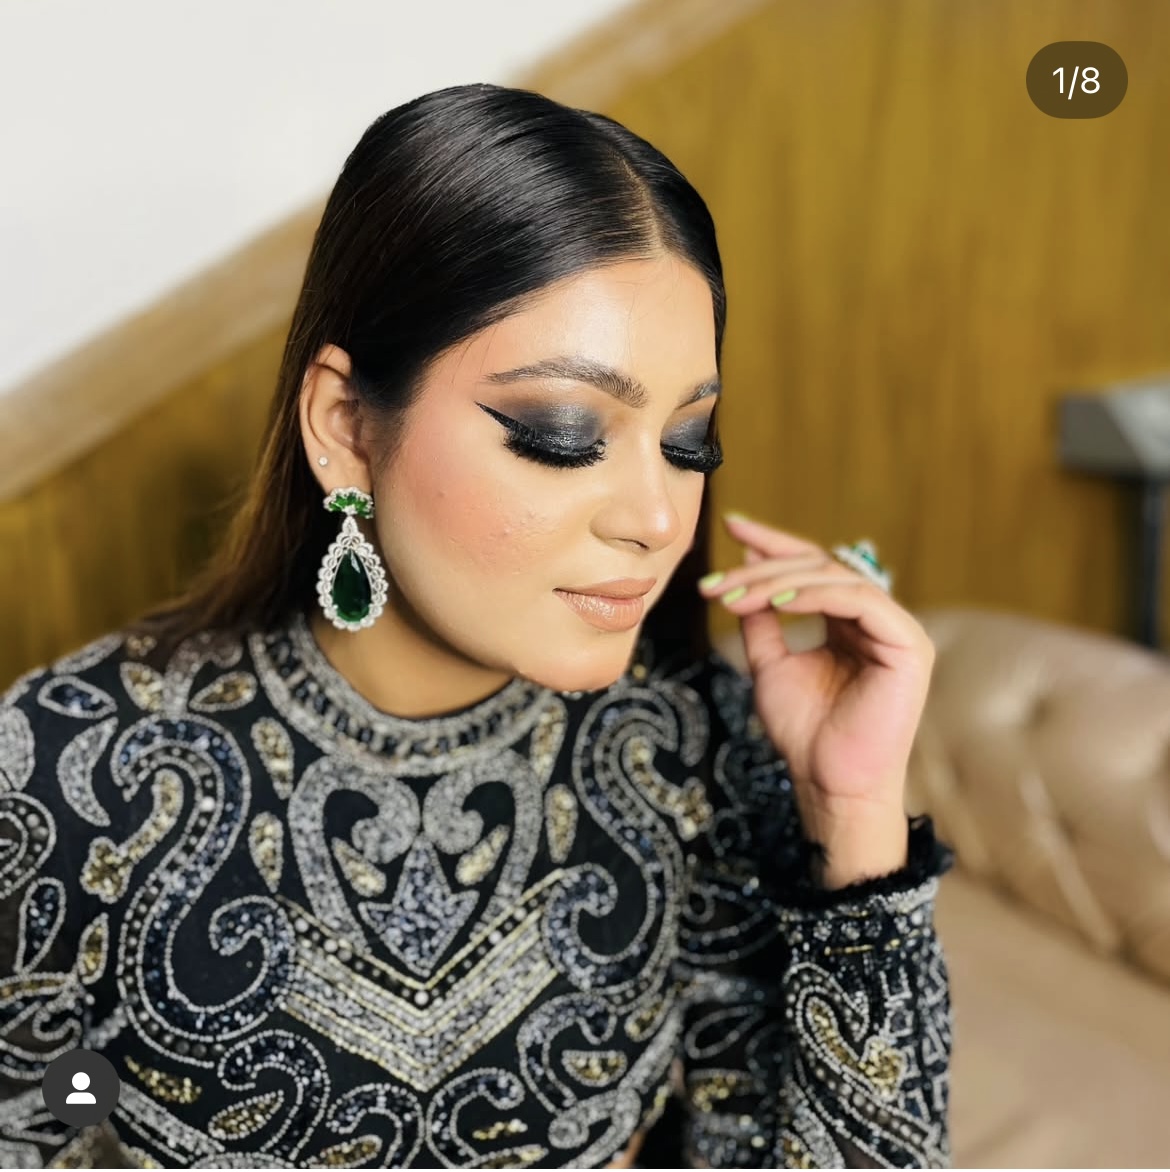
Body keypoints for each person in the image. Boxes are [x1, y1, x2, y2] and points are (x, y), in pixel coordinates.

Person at [0, 83, 952, 1169]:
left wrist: (854, 810)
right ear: (346, 427)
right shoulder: (67, 774)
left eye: (689, 442)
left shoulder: (689, 740)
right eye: (563, 433)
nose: (655, 518)